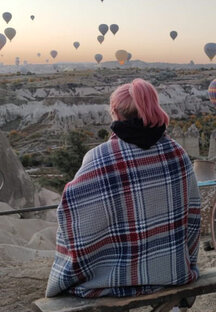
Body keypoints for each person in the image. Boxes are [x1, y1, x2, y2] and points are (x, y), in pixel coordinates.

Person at [46, 78, 201, 299]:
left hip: (113, 279)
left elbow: (71, 212)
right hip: (172, 273)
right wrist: (186, 261)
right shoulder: (176, 153)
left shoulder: (99, 158)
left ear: (115, 113)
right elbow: (193, 217)